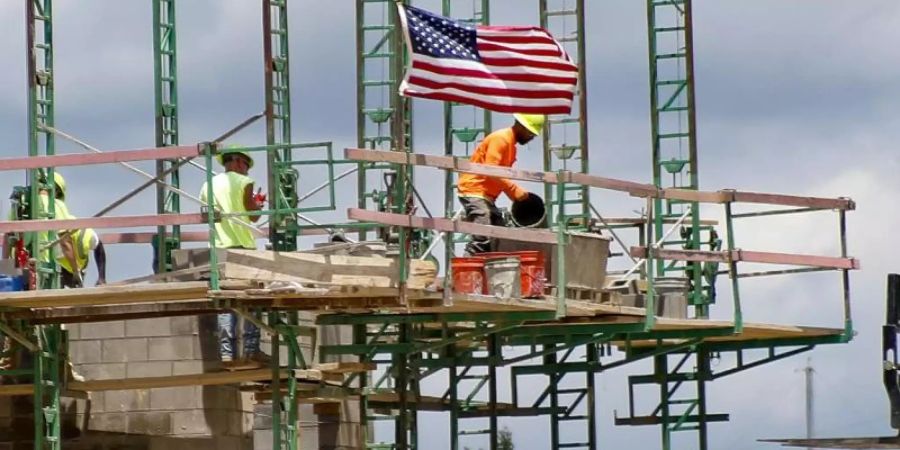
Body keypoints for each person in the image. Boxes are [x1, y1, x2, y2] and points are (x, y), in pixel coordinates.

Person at [199, 146, 268, 365]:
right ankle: (250, 350)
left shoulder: (207, 185)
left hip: (219, 249)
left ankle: (226, 352)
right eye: (246, 166)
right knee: (251, 299)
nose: (247, 171)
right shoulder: (243, 182)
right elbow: (253, 215)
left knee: (226, 301)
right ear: (238, 162)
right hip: (242, 248)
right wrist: (258, 203)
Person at [456, 114, 545, 255]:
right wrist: (513, 190)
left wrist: (513, 192)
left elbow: (497, 174)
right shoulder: (501, 139)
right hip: (474, 190)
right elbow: (491, 170)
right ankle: (464, 274)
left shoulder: (510, 145)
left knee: (500, 236)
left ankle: (491, 272)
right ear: (520, 126)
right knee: (482, 237)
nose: (531, 137)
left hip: (486, 195)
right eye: (530, 132)